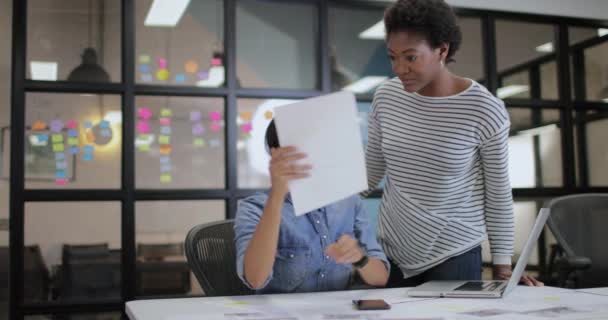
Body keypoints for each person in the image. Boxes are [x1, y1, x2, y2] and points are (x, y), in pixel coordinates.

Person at [364, 0, 543, 287]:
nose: (399, 68)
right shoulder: (386, 97)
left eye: (410, 57)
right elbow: (369, 173)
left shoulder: (484, 109)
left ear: (442, 50)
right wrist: (312, 201)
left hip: (454, 253)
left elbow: (497, 193)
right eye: (392, 57)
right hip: (392, 251)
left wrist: (502, 266)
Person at [234, 121, 389, 294]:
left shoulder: (349, 202)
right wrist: (277, 195)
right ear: (276, 155)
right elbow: (255, 279)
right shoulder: (254, 207)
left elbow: (381, 278)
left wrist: (360, 259)